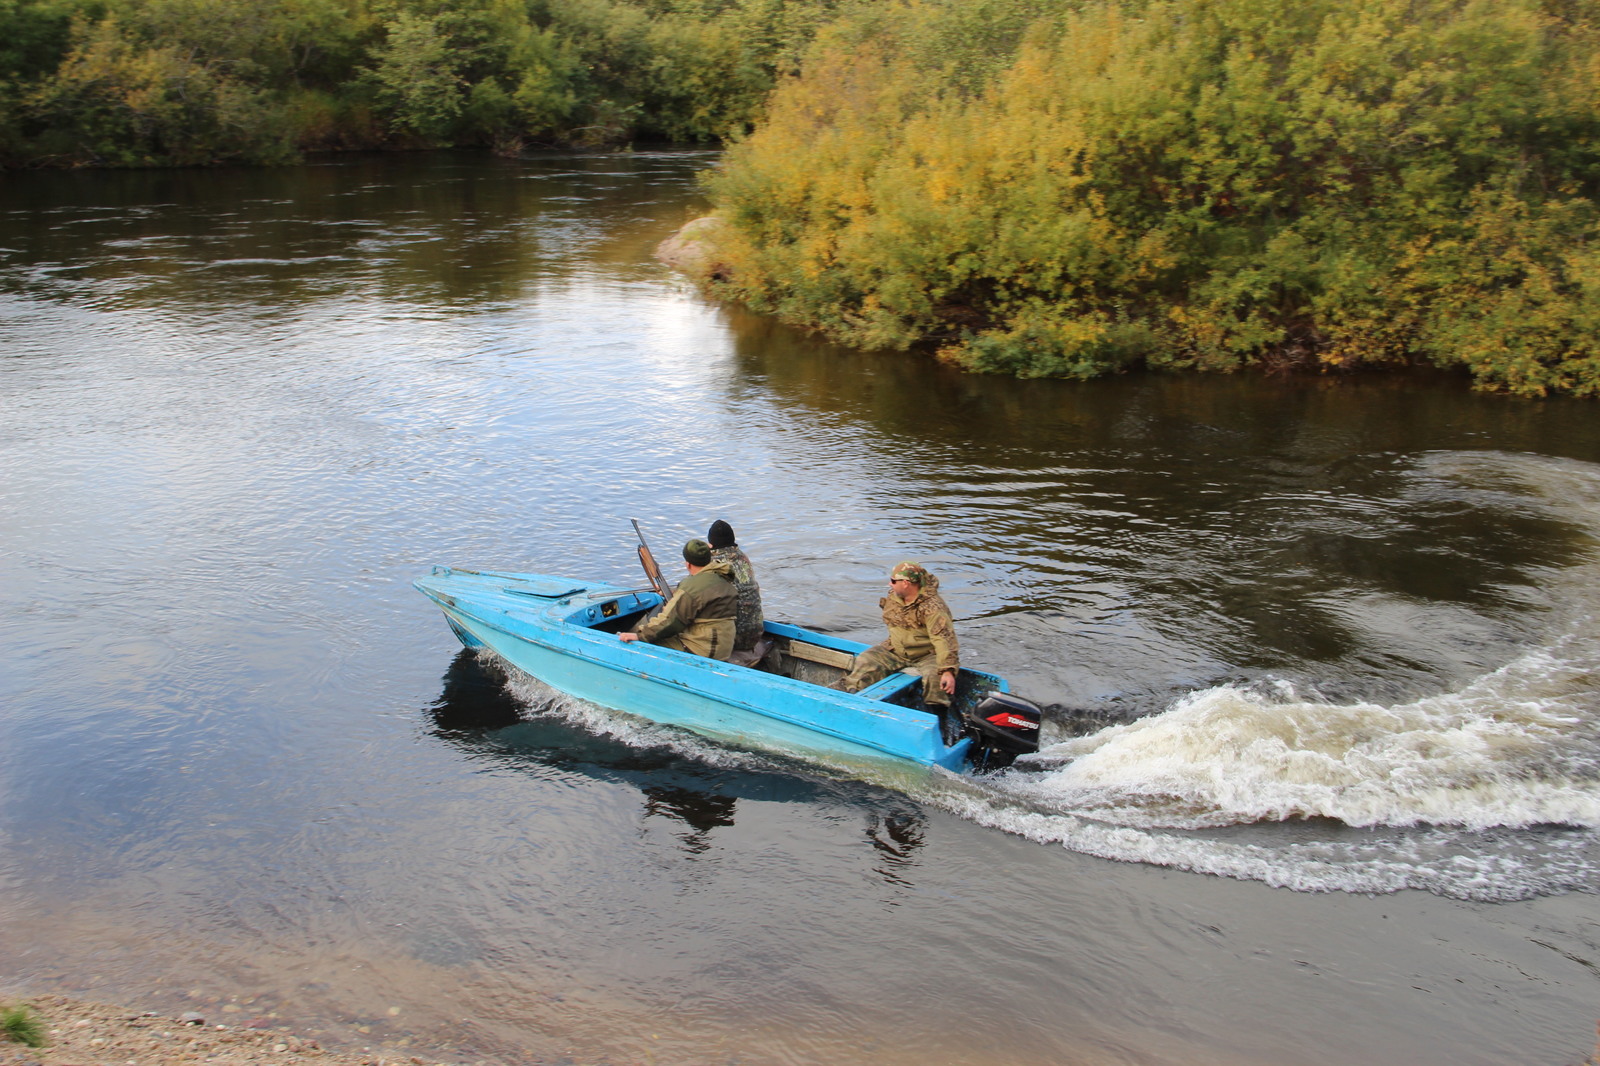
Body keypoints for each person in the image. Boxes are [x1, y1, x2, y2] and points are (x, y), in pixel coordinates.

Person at [837, 561, 960, 710]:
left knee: (937, 679)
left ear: (906, 583)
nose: (890, 584)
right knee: (865, 660)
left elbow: (943, 639)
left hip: (927, 654)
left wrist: (947, 670)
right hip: (896, 649)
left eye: (894, 581)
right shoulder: (894, 597)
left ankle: (939, 716)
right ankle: (852, 698)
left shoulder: (933, 608)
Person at [619, 538, 737, 660]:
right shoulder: (721, 578)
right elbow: (703, 597)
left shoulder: (691, 586)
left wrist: (640, 636)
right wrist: (676, 593)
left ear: (688, 564)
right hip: (722, 646)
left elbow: (670, 622)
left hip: (704, 650)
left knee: (649, 642)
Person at [706, 519, 764, 653]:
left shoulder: (713, 564)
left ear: (711, 543)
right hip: (756, 633)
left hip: (733, 638)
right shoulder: (742, 557)